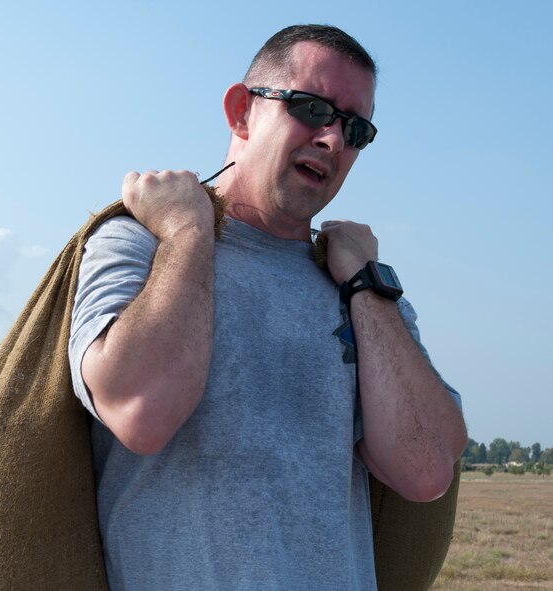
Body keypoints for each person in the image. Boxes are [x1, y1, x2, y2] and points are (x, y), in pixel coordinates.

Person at [67, 24, 467, 589]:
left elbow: (425, 470)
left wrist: (366, 289)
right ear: (241, 112)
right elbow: (142, 412)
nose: (333, 139)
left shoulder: (362, 290)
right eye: (312, 107)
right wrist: (187, 231)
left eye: (356, 128)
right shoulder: (139, 242)